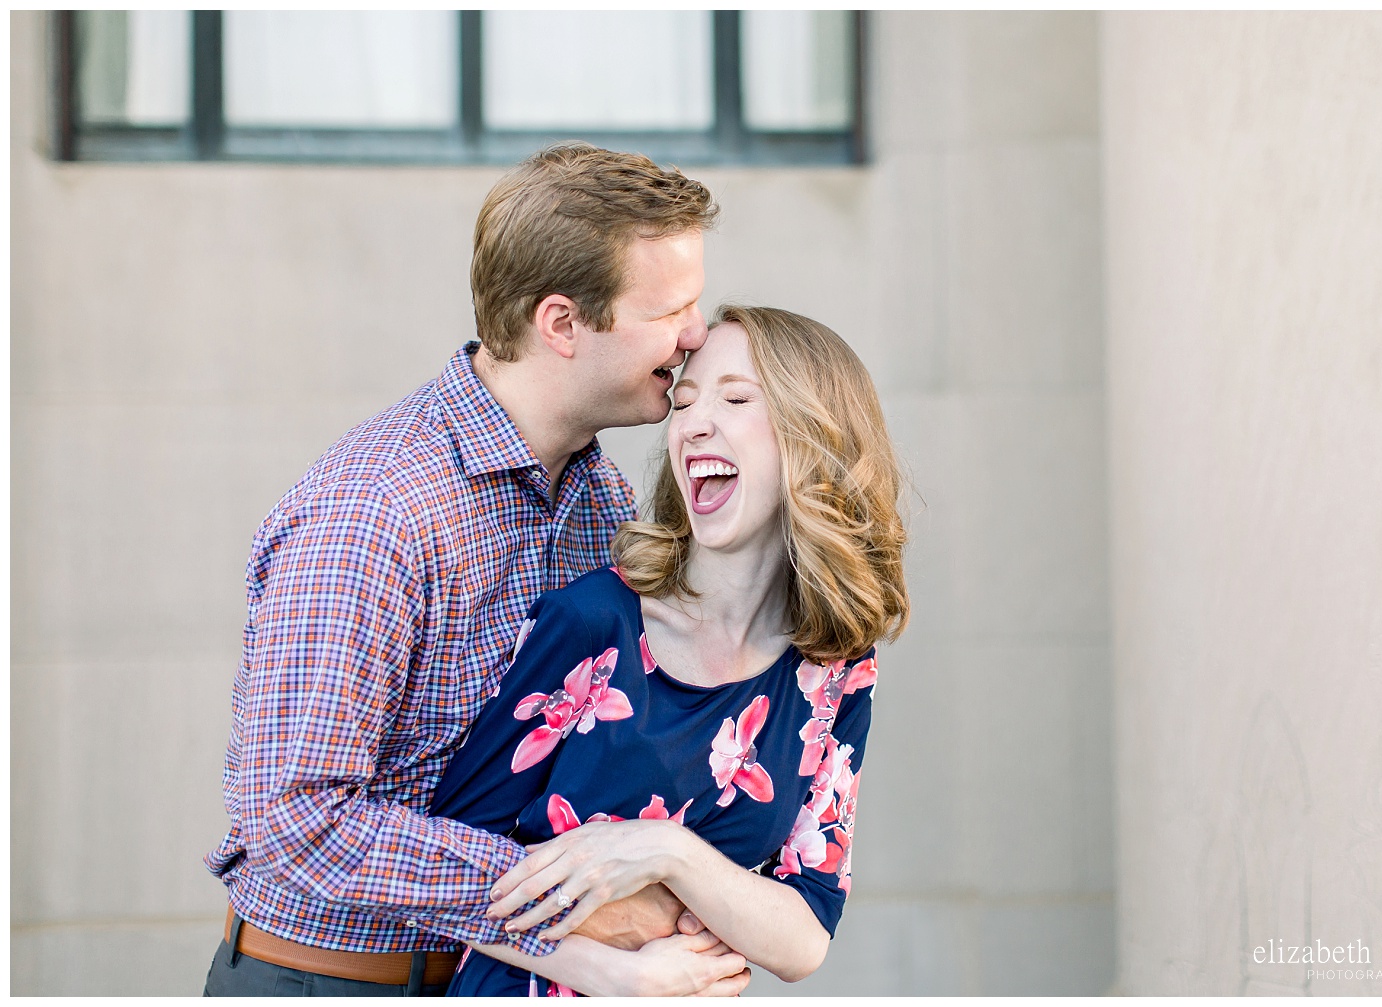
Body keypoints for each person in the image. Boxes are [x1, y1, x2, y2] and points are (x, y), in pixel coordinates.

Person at [202, 144, 748, 996]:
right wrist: (574, 904)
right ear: (562, 323)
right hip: (335, 982)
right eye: (671, 307)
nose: (696, 334)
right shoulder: (375, 511)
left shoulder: (601, 501)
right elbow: (294, 820)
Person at [428, 305, 911, 996]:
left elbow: (805, 932)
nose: (692, 421)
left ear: (817, 439)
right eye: (683, 401)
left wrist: (667, 852)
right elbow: (446, 862)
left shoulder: (836, 669)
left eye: (736, 398)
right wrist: (614, 971)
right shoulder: (595, 621)